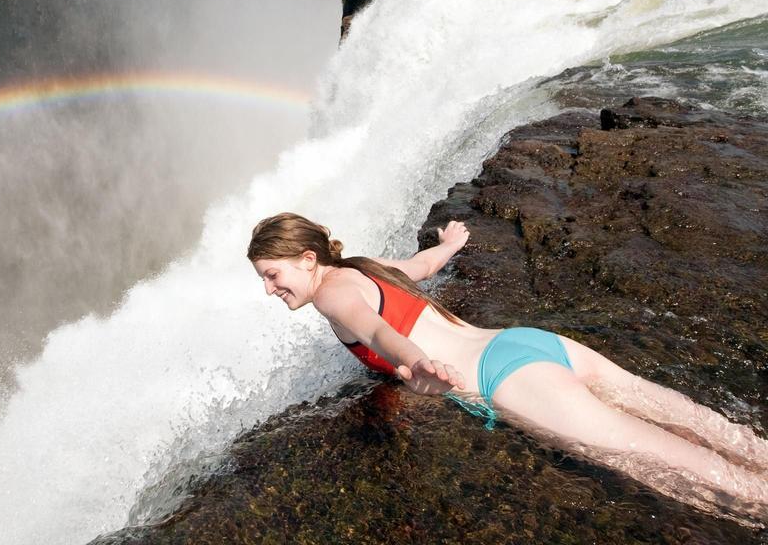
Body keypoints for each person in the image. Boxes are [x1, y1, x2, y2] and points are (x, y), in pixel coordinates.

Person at [247, 212, 768, 520]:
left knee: (687, 474)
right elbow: (422, 266)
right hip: (527, 343)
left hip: (509, 381)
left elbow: (377, 330)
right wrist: (450, 243)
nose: (270, 289)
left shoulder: (331, 296)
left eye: (273, 275)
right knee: (707, 427)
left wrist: (417, 363)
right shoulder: (363, 267)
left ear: (307, 259)